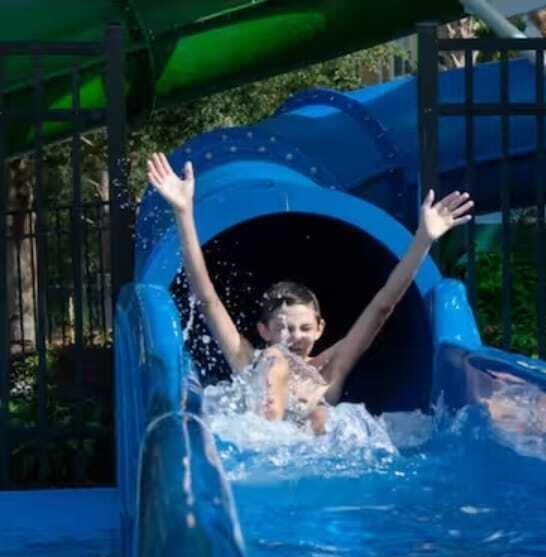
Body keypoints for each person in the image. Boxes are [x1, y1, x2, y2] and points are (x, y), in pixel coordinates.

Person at [146, 152, 473, 434]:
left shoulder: (331, 372)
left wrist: (423, 240)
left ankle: (290, 425)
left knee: (319, 413)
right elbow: (207, 298)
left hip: (313, 458)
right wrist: (183, 213)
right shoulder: (249, 363)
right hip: (262, 448)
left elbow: (383, 305)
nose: (295, 336)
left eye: (304, 327)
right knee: (274, 360)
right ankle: (269, 422)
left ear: (320, 328)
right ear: (264, 330)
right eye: (284, 328)